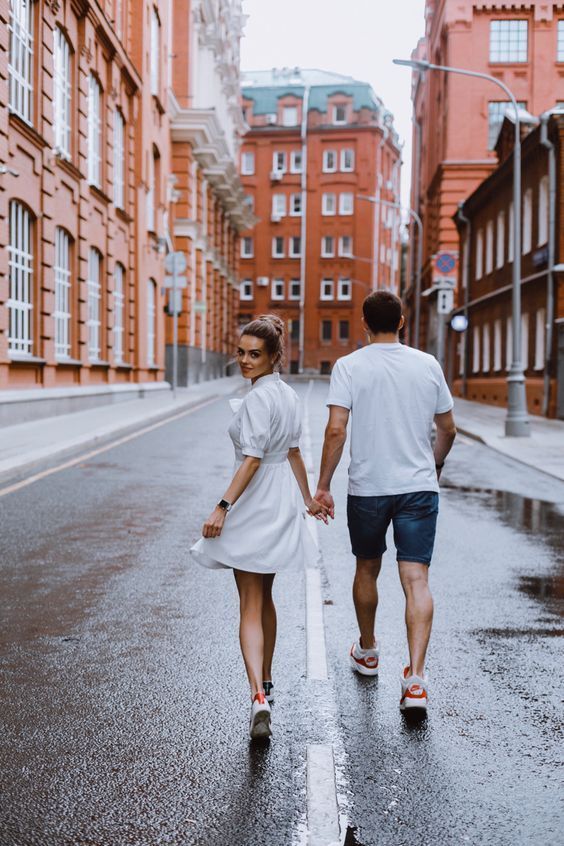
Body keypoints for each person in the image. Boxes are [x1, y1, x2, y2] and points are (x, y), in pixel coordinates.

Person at [314, 291, 457, 712]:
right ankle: (415, 680)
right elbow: (448, 428)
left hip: (368, 487)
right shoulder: (427, 364)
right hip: (417, 486)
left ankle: (369, 650)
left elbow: (336, 431)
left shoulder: (349, 366)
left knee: (367, 567)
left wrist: (322, 484)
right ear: (402, 321)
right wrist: (435, 465)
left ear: (363, 323)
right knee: (417, 580)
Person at [191, 315, 327, 739]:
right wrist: (307, 499)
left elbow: (251, 458)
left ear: (273, 357)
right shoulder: (287, 396)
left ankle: (256, 696)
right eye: (241, 353)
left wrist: (222, 507)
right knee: (265, 595)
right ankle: (266, 682)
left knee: (249, 602)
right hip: (280, 500)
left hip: (253, 503)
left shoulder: (257, 400)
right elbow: (294, 453)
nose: (245, 361)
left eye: (255, 355)